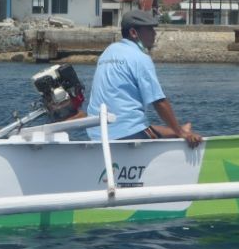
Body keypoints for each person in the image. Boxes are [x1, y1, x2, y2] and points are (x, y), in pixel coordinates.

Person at [85, 9, 203, 146]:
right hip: (126, 135)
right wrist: (183, 135)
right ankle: (180, 131)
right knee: (142, 128)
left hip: (96, 133)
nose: (154, 33)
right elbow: (159, 102)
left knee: (144, 126)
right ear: (134, 33)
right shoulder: (140, 58)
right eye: (149, 29)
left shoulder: (108, 52)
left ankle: (177, 130)